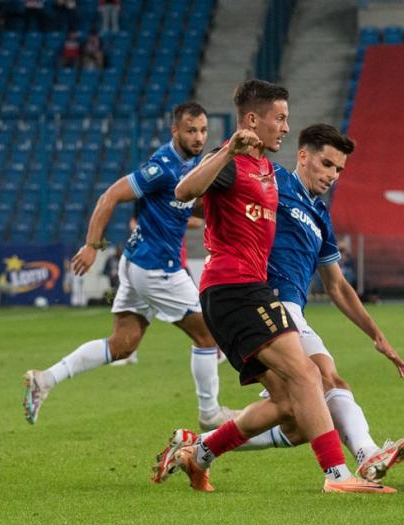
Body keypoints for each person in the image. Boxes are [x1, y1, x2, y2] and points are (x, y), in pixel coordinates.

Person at [152, 79, 391, 494]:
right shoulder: (232, 161)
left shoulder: (267, 169)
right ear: (251, 120)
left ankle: (199, 453)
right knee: (307, 374)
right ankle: (336, 475)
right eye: (279, 119)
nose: (284, 127)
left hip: (244, 291)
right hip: (234, 288)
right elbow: (183, 190)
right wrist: (227, 149)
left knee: (287, 404)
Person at [22, 102, 239, 431]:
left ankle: (45, 379)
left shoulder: (193, 164)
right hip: (157, 267)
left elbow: (181, 205)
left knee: (122, 345)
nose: (198, 137)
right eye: (191, 130)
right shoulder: (162, 166)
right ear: (175, 131)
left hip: (138, 264)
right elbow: (109, 196)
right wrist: (92, 246)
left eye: (203, 131)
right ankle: (210, 412)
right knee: (208, 336)